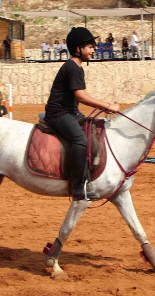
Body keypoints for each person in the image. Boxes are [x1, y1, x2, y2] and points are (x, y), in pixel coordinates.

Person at [44, 27, 119, 201]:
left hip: (70, 112)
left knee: (93, 129)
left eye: (93, 47)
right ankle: (78, 187)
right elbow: (80, 95)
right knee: (80, 139)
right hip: (58, 114)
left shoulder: (76, 67)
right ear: (78, 48)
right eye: (90, 47)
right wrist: (107, 105)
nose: (93, 50)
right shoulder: (72, 67)